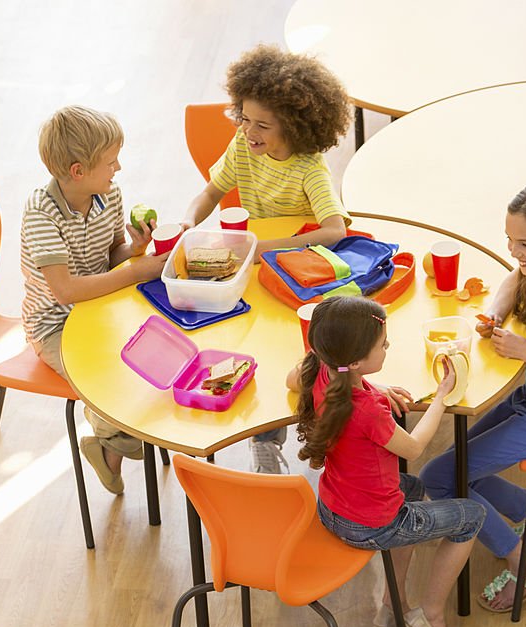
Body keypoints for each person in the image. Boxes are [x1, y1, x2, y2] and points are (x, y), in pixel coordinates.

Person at [420, 180, 526, 613]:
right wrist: (494, 312)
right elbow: (513, 280)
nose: (516, 252)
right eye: (511, 240)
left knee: (440, 478)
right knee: (457, 465)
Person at [182, 44, 352, 474]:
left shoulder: (309, 169)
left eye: (263, 125)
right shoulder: (242, 147)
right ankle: (263, 436)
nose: (249, 131)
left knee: (289, 350)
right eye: (244, 117)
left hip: (294, 275)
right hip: (255, 272)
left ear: (295, 128)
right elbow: (209, 193)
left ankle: (299, 426)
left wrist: (262, 248)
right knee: (246, 343)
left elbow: (335, 231)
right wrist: (188, 222)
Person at [287, 295, 485, 627]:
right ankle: (429, 616)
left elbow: (292, 379)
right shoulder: (368, 412)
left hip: (334, 505)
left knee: (414, 486)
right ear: (357, 360)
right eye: (382, 344)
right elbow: (413, 448)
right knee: (472, 517)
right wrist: (442, 396)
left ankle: (393, 607)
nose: (388, 345)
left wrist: (375, 388)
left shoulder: (321, 367)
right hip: (372, 522)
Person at [21, 105, 168, 495]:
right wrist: (135, 271)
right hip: (55, 324)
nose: (117, 168)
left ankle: (107, 449)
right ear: (77, 172)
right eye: (110, 161)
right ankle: (112, 444)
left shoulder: (108, 193)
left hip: (101, 309)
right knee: (117, 391)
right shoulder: (41, 213)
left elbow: (112, 253)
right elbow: (66, 290)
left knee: (155, 367)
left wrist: (135, 248)